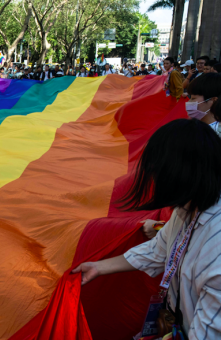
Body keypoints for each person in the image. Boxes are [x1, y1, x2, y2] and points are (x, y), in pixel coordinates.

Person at [73, 118, 221, 340]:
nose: (153, 179)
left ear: (181, 172)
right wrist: (98, 267)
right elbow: (158, 250)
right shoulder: (186, 209)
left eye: (158, 172)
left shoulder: (216, 246)